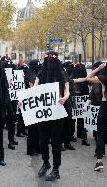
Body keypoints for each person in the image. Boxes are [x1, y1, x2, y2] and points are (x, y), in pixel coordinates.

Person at [36, 52, 70, 181]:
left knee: (56, 142)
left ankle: (56, 169)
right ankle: (46, 162)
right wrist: (25, 100)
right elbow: (34, 89)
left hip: (57, 113)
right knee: (43, 140)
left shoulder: (62, 74)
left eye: (52, 61)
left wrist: (64, 98)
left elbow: (67, 91)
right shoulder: (41, 74)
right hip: (43, 114)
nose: (50, 64)